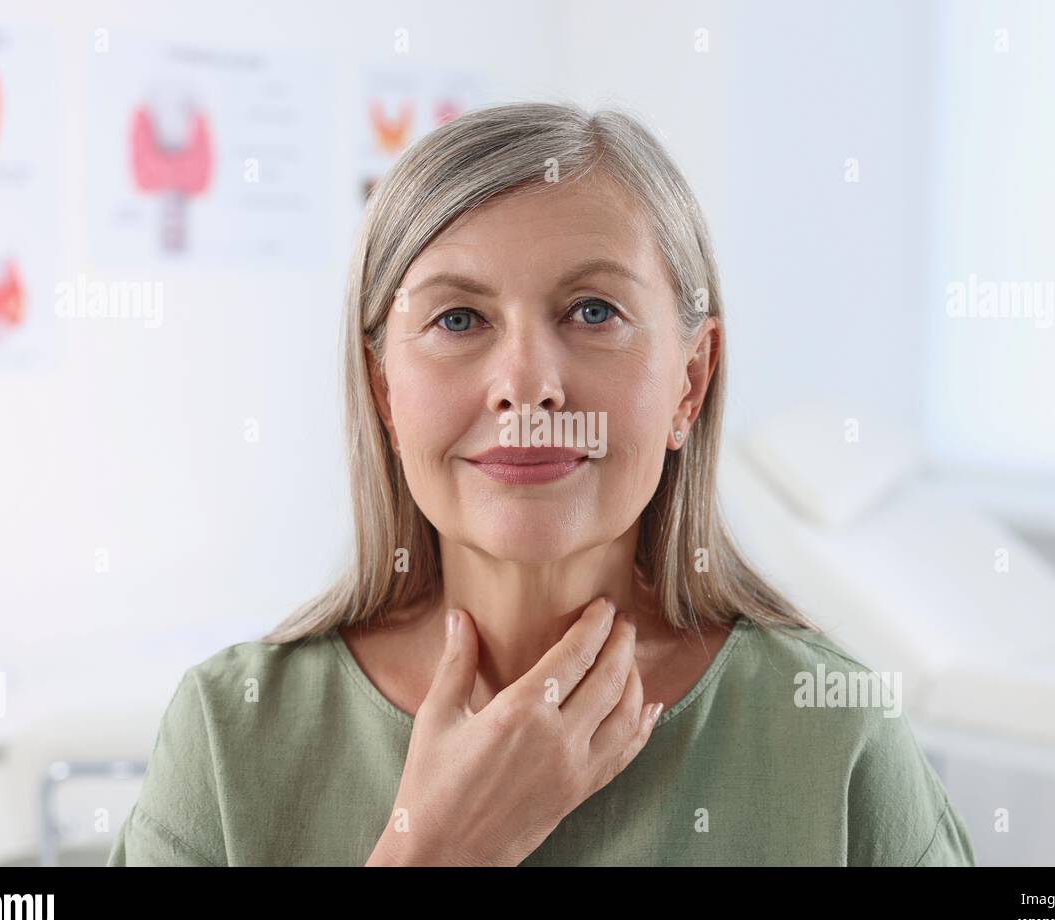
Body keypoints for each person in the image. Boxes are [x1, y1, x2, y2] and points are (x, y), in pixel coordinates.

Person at [107, 101, 975, 866]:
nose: (526, 384)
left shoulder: (833, 737)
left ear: (690, 381)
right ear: (383, 392)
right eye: (458, 319)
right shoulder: (231, 737)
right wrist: (439, 852)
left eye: (593, 311)